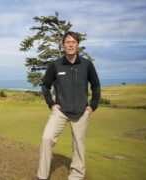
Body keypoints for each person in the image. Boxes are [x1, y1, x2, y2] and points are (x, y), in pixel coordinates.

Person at [35, 31, 101, 180]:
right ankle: (42, 176)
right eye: (68, 42)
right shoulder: (55, 65)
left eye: (73, 42)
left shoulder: (87, 64)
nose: (70, 45)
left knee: (78, 145)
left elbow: (96, 86)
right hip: (61, 111)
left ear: (77, 45)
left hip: (81, 112)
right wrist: (51, 104)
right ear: (63, 45)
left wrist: (92, 106)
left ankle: (76, 176)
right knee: (46, 138)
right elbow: (45, 86)